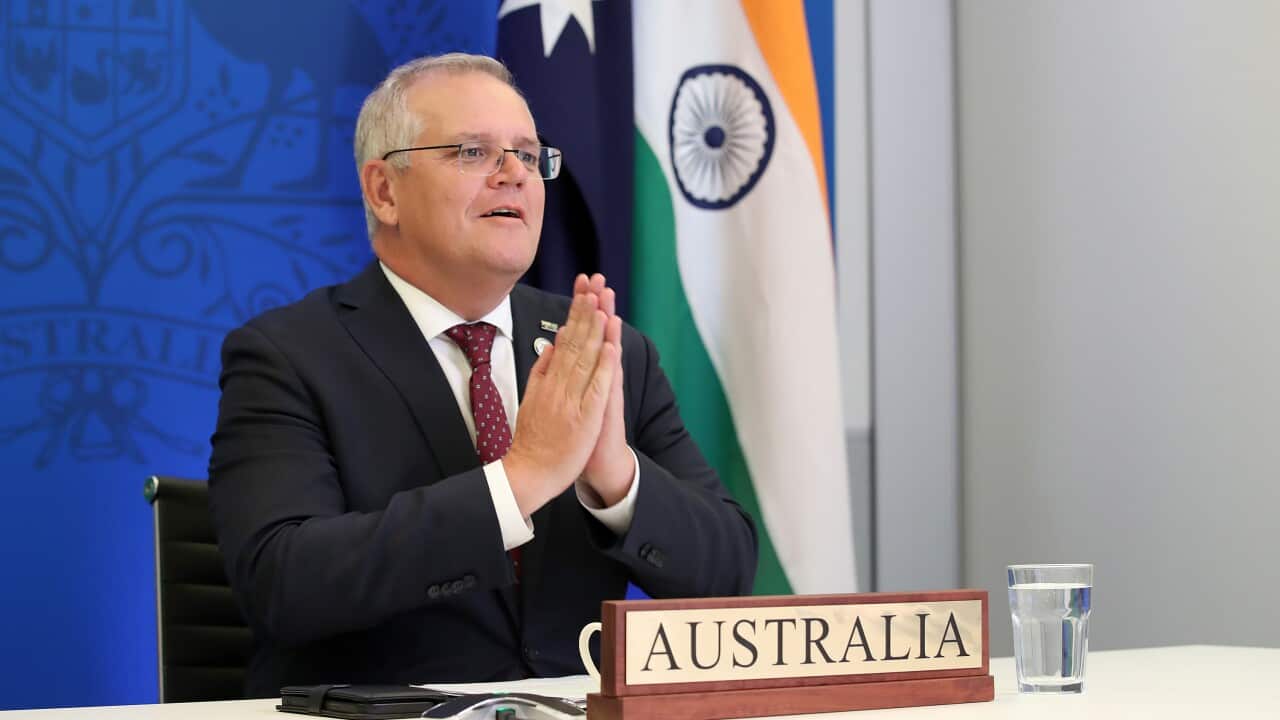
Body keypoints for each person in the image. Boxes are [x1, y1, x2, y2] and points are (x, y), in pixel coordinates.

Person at [207, 53, 758, 698]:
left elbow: (728, 575)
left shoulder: (605, 350)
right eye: (473, 152)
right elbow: (283, 585)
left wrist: (616, 478)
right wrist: (522, 479)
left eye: (529, 155)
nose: (513, 175)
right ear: (384, 190)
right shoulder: (287, 355)